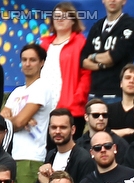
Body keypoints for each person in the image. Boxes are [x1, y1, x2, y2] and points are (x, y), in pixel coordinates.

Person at [1, 44, 57, 183]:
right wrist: (17, 120)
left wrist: (17, 120)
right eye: (24, 60)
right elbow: (4, 123)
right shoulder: (17, 91)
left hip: (32, 158)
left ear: (41, 63)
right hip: (12, 156)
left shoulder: (42, 87)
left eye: (32, 60)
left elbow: (16, 123)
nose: (27, 63)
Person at [40, 3, 91, 135]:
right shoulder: (44, 44)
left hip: (71, 108)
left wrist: (78, 98)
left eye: (64, 16)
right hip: (44, 107)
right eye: (57, 16)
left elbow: (86, 74)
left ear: (73, 20)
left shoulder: (81, 43)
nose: (60, 19)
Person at [80, 0, 134, 99]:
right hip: (93, 93)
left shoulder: (130, 26)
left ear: (124, 1)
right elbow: (83, 60)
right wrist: (101, 65)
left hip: (117, 94)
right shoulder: (97, 27)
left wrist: (93, 56)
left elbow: (113, 57)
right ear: (103, 1)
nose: (112, 0)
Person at [35, 108, 94, 183]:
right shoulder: (51, 154)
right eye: (54, 127)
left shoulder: (83, 159)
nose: (58, 131)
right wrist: (40, 176)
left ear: (73, 130)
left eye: (63, 127)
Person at [105, 64, 134, 138]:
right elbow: (100, 134)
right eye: (127, 78)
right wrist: (127, 131)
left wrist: (112, 133)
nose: (131, 81)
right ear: (121, 83)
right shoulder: (107, 109)